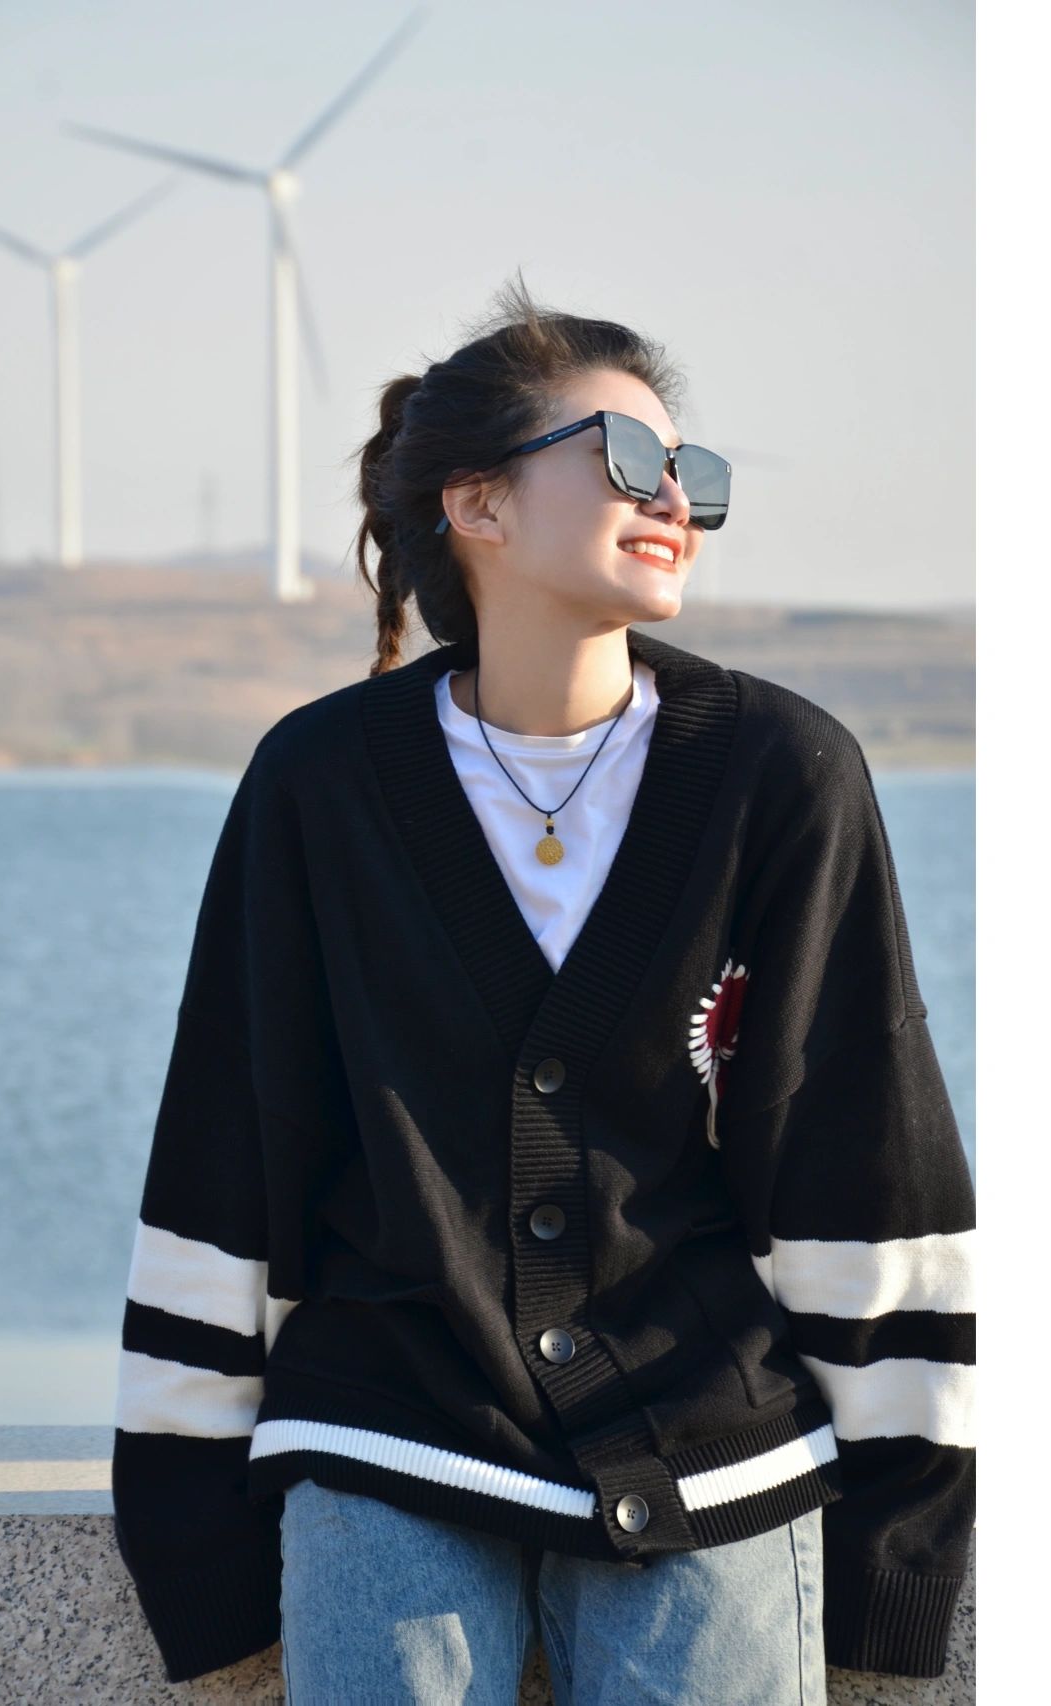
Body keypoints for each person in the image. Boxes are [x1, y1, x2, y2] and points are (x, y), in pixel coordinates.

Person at [110, 274, 976, 1704]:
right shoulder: (319, 782)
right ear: (478, 505)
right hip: (387, 1428)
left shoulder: (782, 774)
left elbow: (860, 1155)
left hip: (714, 1446)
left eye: (692, 471)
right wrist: (193, 1546)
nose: (675, 500)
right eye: (626, 459)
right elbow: (230, 1147)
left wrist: (899, 1548)